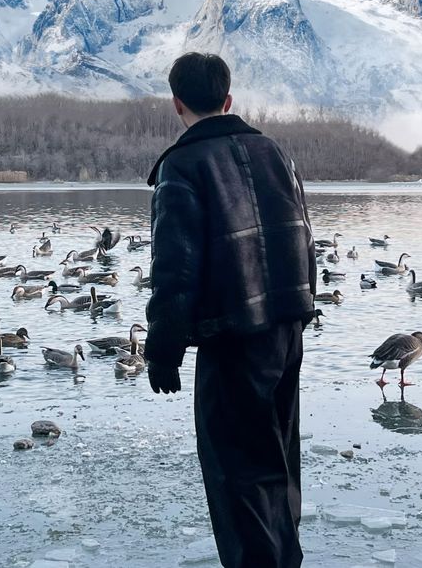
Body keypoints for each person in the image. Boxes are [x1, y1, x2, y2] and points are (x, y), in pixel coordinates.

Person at [144, 52, 316, 568]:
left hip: (232, 339)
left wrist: (164, 350)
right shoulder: (273, 151)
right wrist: (300, 311)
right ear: (229, 99)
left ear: (177, 104)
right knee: (280, 463)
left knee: (237, 474)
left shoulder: (183, 165)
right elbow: (305, 238)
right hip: (286, 331)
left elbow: (176, 269)